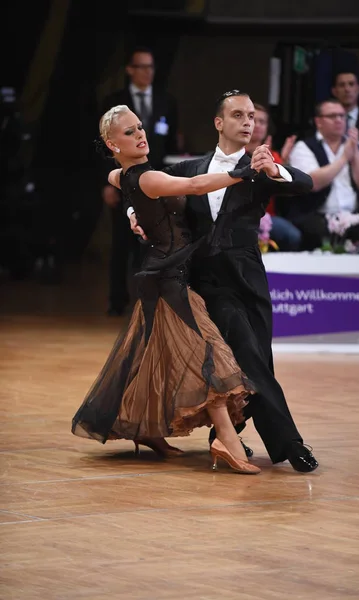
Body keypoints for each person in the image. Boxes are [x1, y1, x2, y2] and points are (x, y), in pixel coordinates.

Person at [127, 90, 319, 473]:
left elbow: (305, 184)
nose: (248, 122)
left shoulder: (260, 168)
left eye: (252, 116)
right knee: (246, 353)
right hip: (206, 278)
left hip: (248, 277)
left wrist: (274, 169)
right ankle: (289, 443)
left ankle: (225, 435)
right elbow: (143, 189)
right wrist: (135, 213)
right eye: (238, 115)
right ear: (219, 123)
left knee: (256, 360)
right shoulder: (190, 168)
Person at [72, 104, 266, 475]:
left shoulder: (124, 175)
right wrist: (244, 172)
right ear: (113, 143)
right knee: (209, 353)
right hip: (167, 281)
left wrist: (132, 214)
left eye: (141, 127)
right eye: (130, 132)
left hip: (162, 275)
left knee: (153, 356)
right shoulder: (147, 178)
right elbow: (194, 185)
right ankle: (228, 440)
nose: (141, 134)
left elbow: (119, 182)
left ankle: (147, 431)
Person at [100, 46, 180, 316]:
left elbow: (171, 143)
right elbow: (104, 152)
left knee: (148, 244)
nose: (148, 72)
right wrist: (110, 183)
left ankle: (144, 300)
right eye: (142, 67)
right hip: (126, 179)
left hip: (154, 180)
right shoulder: (113, 102)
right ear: (130, 70)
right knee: (121, 243)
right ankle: (116, 300)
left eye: (151, 67)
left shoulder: (166, 100)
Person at [287, 98, 359, 250]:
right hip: (316, 215)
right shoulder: (304, 147)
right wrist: (344, 158)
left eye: (342, 116)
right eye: (332, 116)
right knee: (316, 232)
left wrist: (355, 153)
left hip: (353, 215)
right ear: (318, 122)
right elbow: (312, 182)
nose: (338, 120)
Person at [246, 102, 301, 251]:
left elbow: (284, 191)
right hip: (239, 215)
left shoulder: (274, 156)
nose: (257, 125)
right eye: (253, 120)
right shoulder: (233, 152)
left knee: (293, 236)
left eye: (262, 122)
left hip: (267, 217)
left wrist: (283, 163)